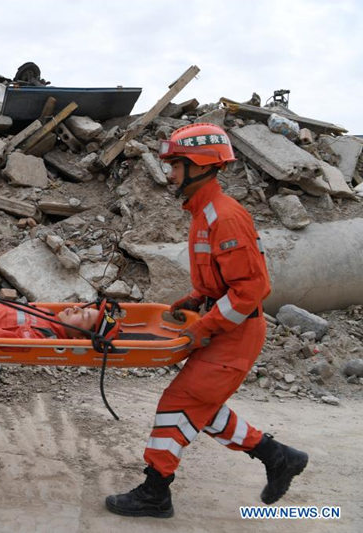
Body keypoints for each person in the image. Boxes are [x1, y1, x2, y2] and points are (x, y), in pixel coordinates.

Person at [105, 124, 308, 518]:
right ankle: (277, 456)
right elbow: (225, 279)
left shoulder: (225, 217)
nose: (170, 173)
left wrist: (205, 326)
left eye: (177, 165)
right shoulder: (203, 212)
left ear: (200, 164)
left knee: (179, 402)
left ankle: (155, 491)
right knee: (200, 404)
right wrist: (198, 298)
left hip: (236, 332)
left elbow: (250, 291)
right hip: (226, 325)